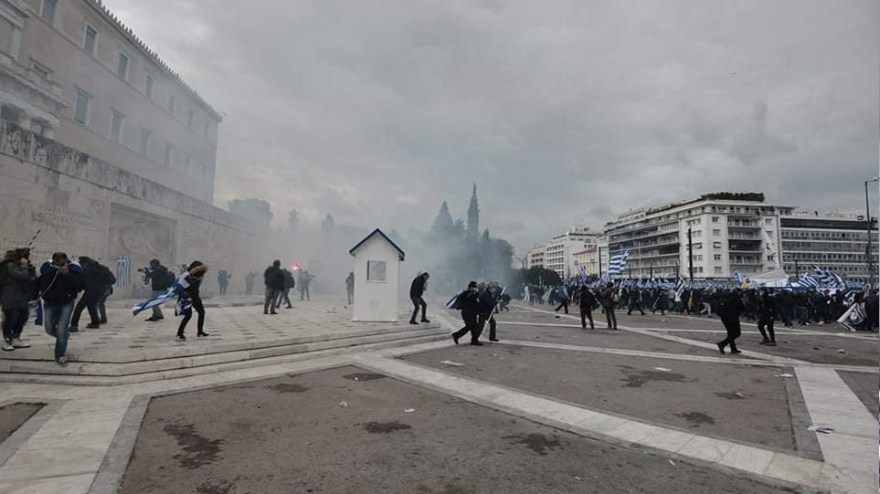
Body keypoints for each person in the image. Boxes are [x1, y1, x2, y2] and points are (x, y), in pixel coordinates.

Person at [37, 253, 84, 366]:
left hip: (66, 303)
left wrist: (68, 275)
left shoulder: (73, 269)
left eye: (61, 262)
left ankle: (60, 355)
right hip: (50, 302)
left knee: (61, 329)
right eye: (56, 262)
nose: (59, 264)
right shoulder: (47, 269)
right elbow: (40, 284)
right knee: (49, 329)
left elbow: (79, 287)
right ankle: (63, 337)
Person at [1, 249, 36, 351]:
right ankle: (7, 340)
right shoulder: (10, 265)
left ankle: (16, 337)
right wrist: (25, 265)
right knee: (10, 318)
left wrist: (30, 267)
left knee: (23, 317)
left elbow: (31, 277)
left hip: (21, 296)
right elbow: (21, 276)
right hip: (10, 296)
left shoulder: (21, 265)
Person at [176, 261, 209, 340]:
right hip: (188, 297)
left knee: (201, 312)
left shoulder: (196, 275)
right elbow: (182, 287)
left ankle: (200, 331)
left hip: (194, 296)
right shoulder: (187, 276)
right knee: (188, 315)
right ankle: (180, 333)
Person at [69, 257, 104, 331]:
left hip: (90, 290)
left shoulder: (85, 268)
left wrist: (78, 289)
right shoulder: (97, 266)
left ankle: (74, 325)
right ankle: (95, 323)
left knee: (79, 308)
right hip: (100, 290)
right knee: (91, 305)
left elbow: (83, 280)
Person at [451, 281, 481, 345]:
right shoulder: (467, 294)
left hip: (472, 313)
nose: (476, 288)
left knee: (474, 326)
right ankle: (456, 335)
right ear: (471, 287)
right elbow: (469, 299)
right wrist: (474, 293)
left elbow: (476, 303)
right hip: (467, 312)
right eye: (475, 287)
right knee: (469, 326)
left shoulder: (473, 293)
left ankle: (474, 340)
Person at [717, 290, 745, 355]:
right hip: (733, 318)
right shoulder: (736, 299)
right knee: (737, 333)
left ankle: (733, 348)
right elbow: (743, 308)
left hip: (724, 318)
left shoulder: (725, 299)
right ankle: (723, 343)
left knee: (730, 333)